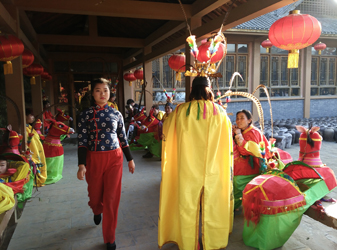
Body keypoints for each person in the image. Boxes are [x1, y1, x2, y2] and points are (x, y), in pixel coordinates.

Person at [158, 76, 233, 250]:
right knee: (214, 202)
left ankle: (187, 243)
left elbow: (166, 131)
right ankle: (214, 241)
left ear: (192, 90)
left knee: (186, 204)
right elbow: (227, 139)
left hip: (187, 167)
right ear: (209, 90)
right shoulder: (220, 112)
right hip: (214, 166)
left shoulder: (180, 111)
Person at [77, 78, 135, 250]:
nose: (102, 94)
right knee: (95, 195)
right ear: (92, 93)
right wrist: (81, 165)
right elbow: (82, 141)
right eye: (98, 90)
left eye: (105, 90)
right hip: (93, 158)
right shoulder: (85, 115)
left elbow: (123, 138)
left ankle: (110, 237)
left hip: (114, 159)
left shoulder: (116, 114)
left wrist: (130, 159)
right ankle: (96, 209)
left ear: (110, 93)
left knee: (111, 199)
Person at [232, 109, 270, 210]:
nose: (239, 121)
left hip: (248, 170)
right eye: (237, 119)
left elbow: (245, 150)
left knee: (238, 191)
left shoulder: (253, 132)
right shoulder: (242, 130)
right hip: (239, 168)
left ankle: (231, 212)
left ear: (249, 120)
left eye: (242, 118)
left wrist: (238, 135)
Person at [26, 108, 48, 187]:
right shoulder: (25, 129)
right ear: (25, 116)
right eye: (31, 115)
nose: (33, 117)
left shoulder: (29, 127)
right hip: (32, 152)